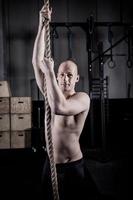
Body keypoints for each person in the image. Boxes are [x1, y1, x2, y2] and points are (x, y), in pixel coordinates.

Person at [32, 5, 91, 200]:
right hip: (50, 166)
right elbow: (36, 61)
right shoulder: (51, 92)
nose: (65, 79)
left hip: (74, 166)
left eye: (69, 75)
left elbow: (60, 107)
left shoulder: (82, 99)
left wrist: (49, 71)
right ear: (57, 78)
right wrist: (42, 24)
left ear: (76, 79)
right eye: (61, 74)